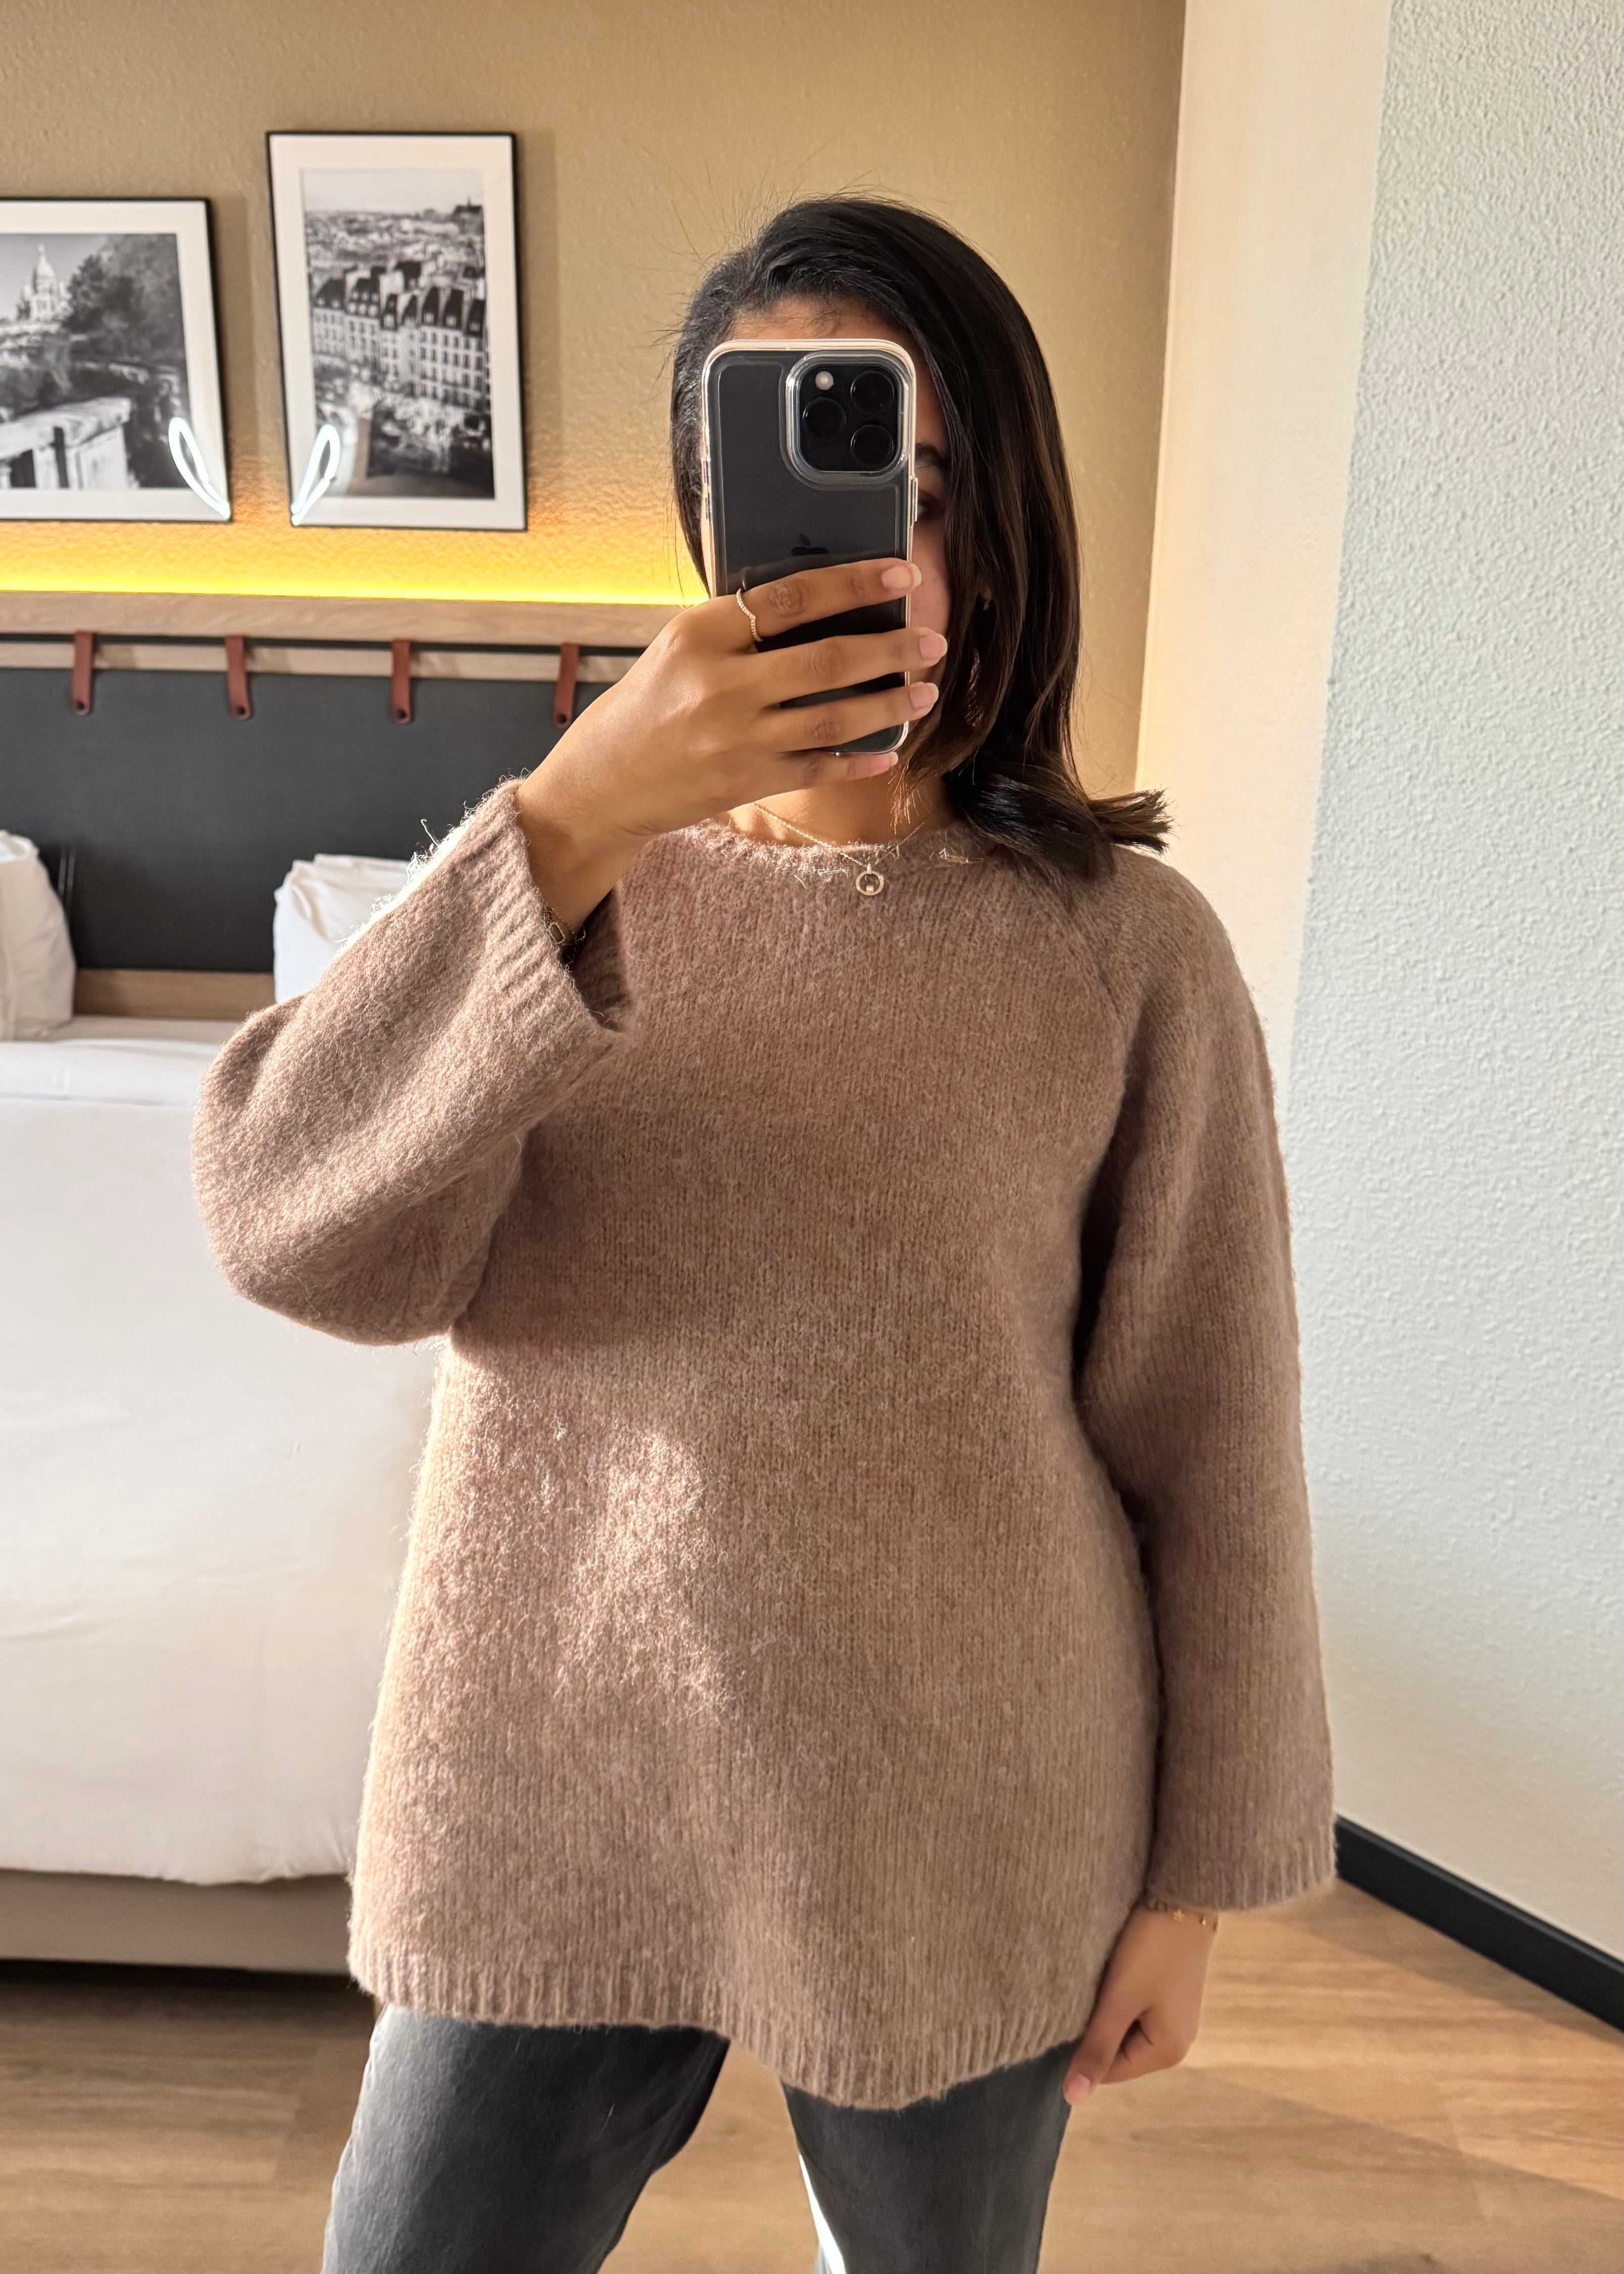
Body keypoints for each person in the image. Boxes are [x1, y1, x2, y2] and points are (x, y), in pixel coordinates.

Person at [191, 196, 1337, 2274]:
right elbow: (290, 1225)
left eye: (923, 495)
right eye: (794, 497)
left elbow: (1216, 1447)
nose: (869, 562)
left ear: (1006, 530)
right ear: (708, 528)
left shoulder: (1127, 957)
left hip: (971, 1818)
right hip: (554, 1780)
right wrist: (565, 821)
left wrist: (1191, 1887)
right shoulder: (556, 888)